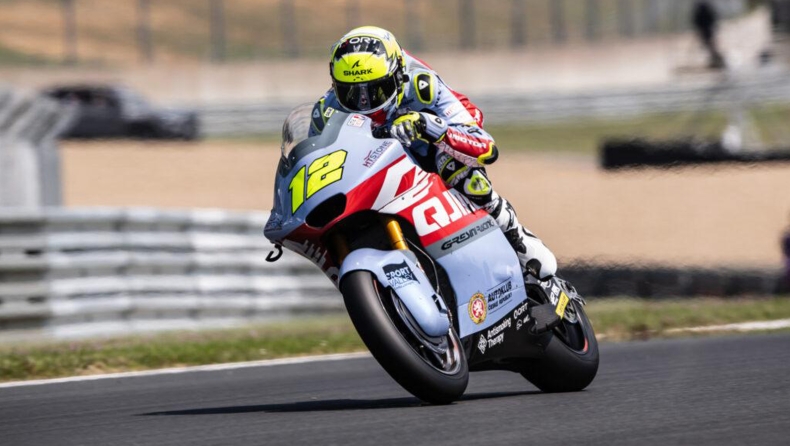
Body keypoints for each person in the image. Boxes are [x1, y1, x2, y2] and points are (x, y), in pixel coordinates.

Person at [308, 26, 557, 280]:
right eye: (351, 93)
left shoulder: (421, 85)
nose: (364, 103)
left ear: (397, 75)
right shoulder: (326, 111)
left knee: (458, 169)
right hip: (376, 163)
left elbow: (486, 148)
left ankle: (511, 230)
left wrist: (429, 126)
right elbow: (317, 163)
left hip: (430, 145)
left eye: (376, 90)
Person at [692, 1, 726, 69]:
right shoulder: (706, 6)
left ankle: (716, 60)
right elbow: (714, 17)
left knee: (710, 46)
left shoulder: (700, 7)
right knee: (711, 45)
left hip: (705, 30)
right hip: (708, 30)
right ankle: (716, 60)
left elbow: (696, 20)